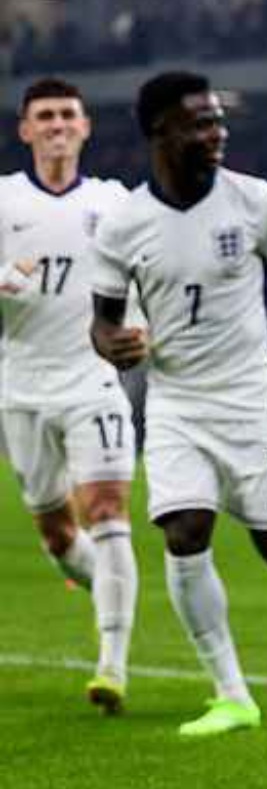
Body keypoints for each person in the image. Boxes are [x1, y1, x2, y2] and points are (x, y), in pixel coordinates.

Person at [89, 72, 267, 738]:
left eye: (218, 121)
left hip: (251, 398)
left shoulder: (253, 201)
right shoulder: (124, 223)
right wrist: (113, 344)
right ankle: (233, 694)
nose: (217, 134)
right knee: (184, 534)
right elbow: (101, 320)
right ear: (161, 131)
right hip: (178, 402)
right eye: (201, 123)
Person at [0, 78, 141, 714]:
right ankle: (112, 588)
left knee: (107, 510)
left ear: (84, 128)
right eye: (45, 116)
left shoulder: (115, 203)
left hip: (94, 381)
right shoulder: (2, 201)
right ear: (25, 130)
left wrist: (145, 329)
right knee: (58, 536)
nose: (57, 124)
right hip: (22, 387)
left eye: (68, 115)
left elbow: (151, 274)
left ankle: (112, 664)